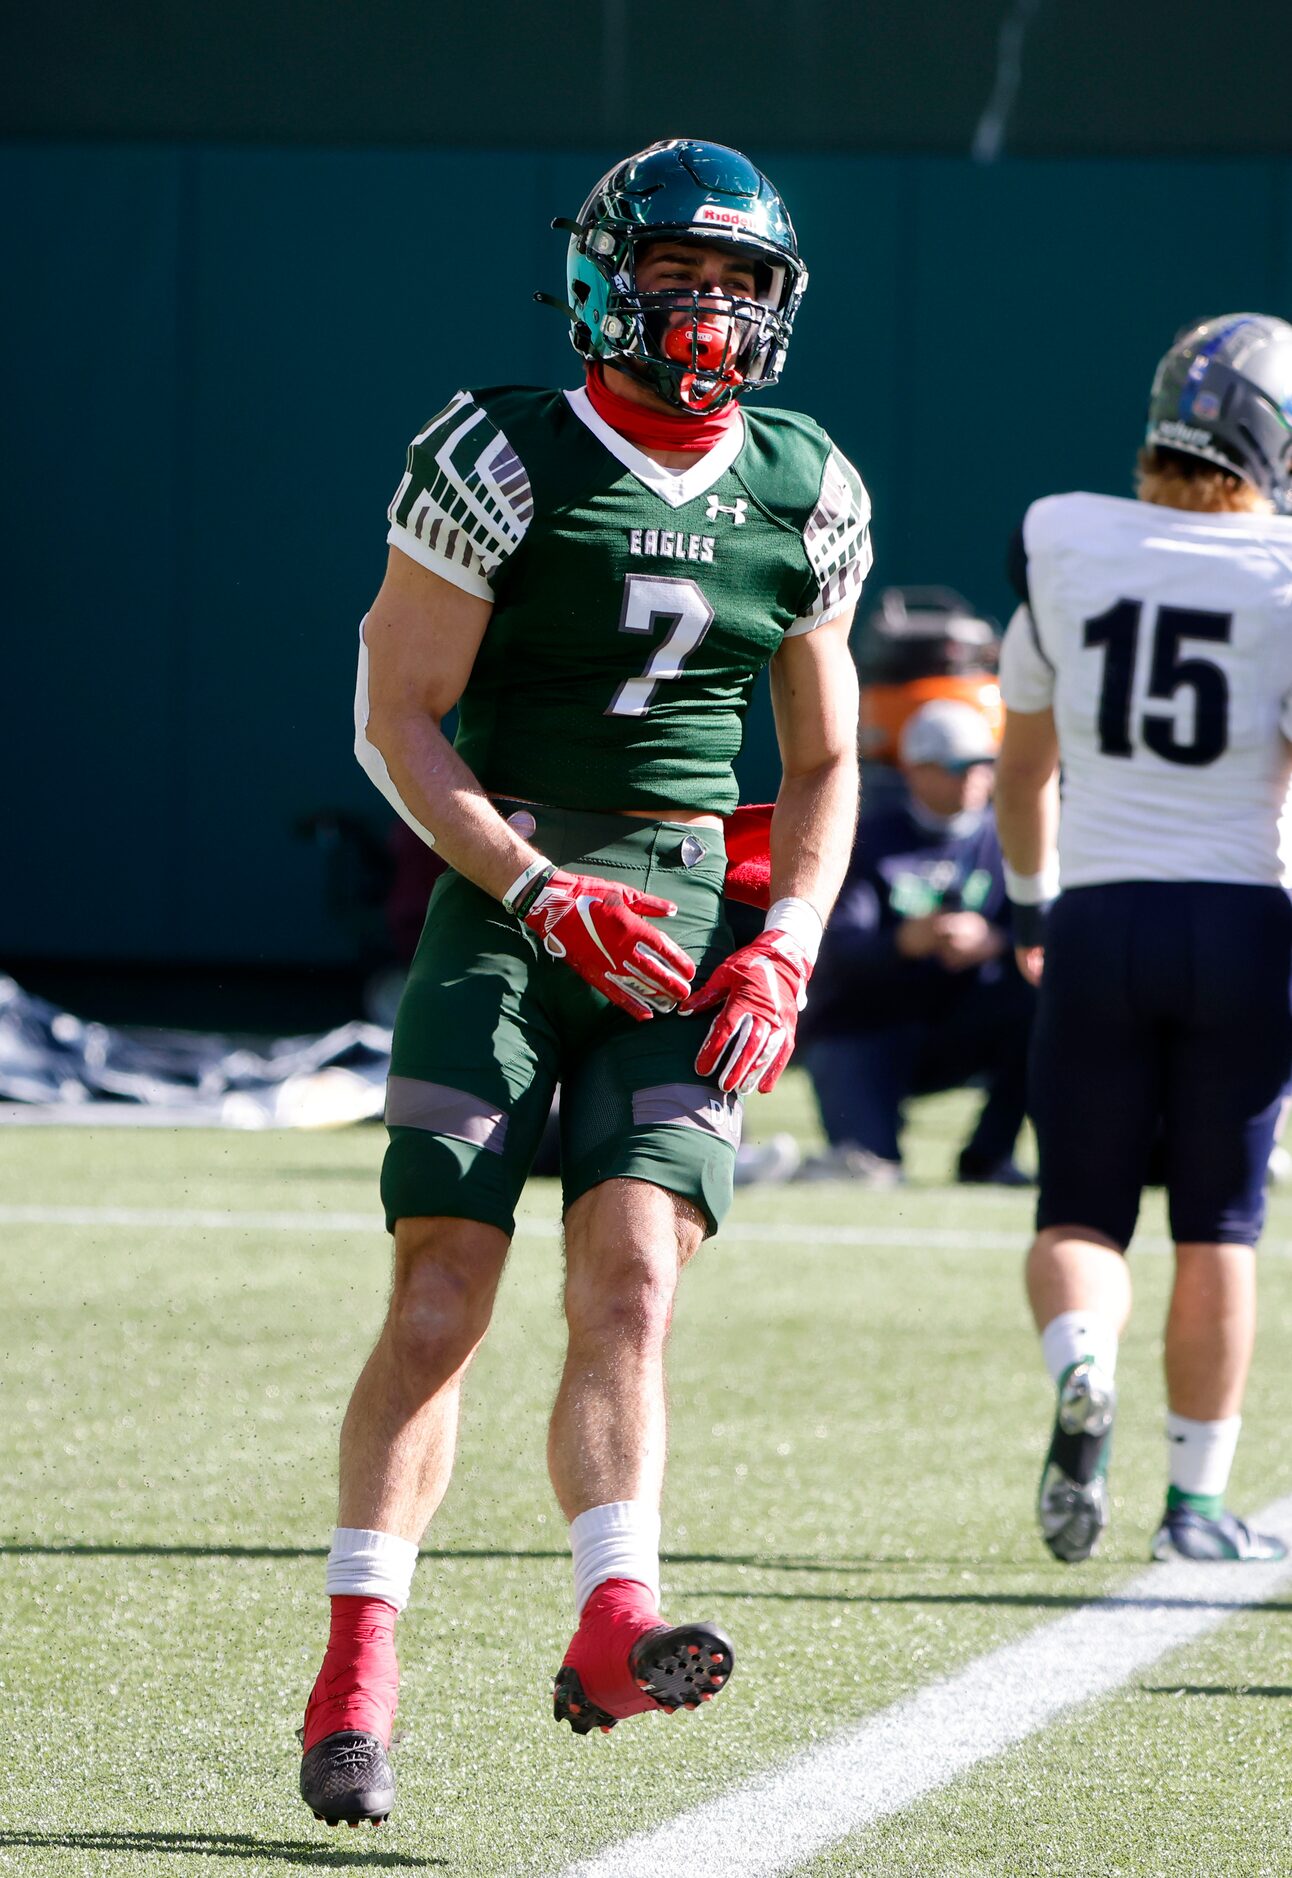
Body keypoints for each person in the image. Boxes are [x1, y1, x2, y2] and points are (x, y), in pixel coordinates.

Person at [297, 138, 871, 1826]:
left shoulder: (804, 478)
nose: (712, 312)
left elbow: (829, 758)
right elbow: (390, 714)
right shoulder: (500, 451)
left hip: (691, 908)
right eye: (679, 274)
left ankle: (616, 1613)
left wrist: (785, 943)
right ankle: (354, 1671)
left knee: (633, 1279)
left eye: (740, 282)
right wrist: (539, 889)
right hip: (513, 894)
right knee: (439, 1297)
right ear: (601, 279)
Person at [993, 312, 1292, 1568]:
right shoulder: (1276, 570)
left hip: (1098, 913)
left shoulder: (1067, 543)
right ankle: (1190, 1505)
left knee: (1077, 1212)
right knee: (1217, 1224)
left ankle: (1081, 1366)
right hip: (1239, 919)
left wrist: (1024, 902)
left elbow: (1021, 765)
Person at [793, 698, 1033, 1186]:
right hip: (864, 1028)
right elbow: (836, 952)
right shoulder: (869, 837)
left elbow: (1042, 935)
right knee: (871, 1173)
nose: (976, 779)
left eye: (985, 765)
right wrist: (905, 941)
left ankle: (989, 1158)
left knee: (1044, 1001)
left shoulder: (1008, 838)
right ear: (917, 771)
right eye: (958, 767)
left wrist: (995, 941)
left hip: (958, 1026)